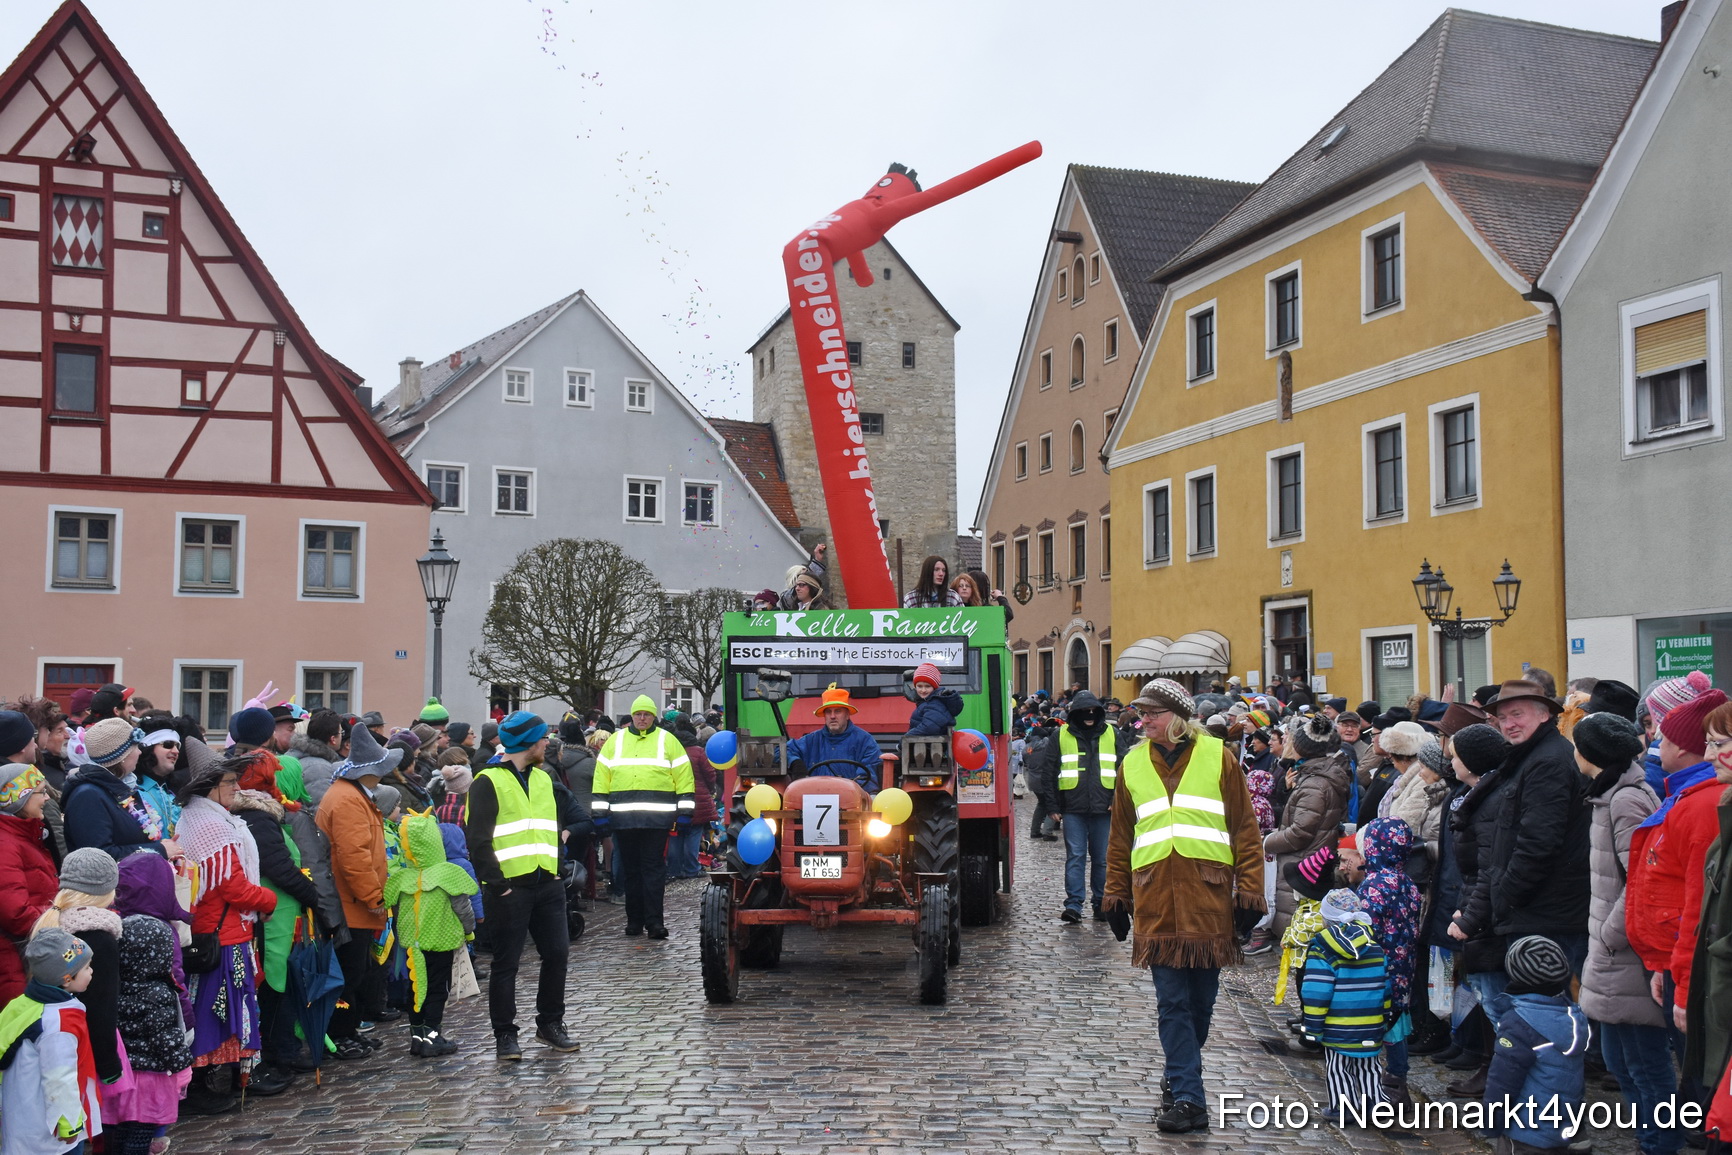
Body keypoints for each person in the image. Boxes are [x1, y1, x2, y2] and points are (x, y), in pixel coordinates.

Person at [1102, 678, 1263, 1134]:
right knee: (1171, 1002)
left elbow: (1245, 830)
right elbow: (1120, 837)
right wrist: (1115, 892)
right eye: (1141, 713)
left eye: (1152, 712)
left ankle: (1178, 1072)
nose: (1144, 720)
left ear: (1178, 716)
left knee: (1200, 1004)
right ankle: (1190, 1097)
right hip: (1154, 898)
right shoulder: (1132, 764)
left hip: (1208, 898)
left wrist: (1250, 890)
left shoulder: (1218, 757)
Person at [1571, 711, 1677, 1155]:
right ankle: (1647, 1140)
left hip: (1626, 950)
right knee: (1620, 1059)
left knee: (1644, 1061)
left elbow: (1643, 881)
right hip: (1611, 947)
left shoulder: (1624, 800)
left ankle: (1660, 1144)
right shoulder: (1608, 793)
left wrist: (1612, 936)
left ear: (1590, 754)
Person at [470, 711, 578, 1059]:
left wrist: (558, 869)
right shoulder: (487, 781)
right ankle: (505, 1035)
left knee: (557, 955)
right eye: (543, 737)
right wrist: (498, 884)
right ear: (528, 742)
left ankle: (550, 1023)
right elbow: (478, 840)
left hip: (547, 883)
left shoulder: (545, 778)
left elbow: (552, 827)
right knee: (507, 963)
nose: (548, 742)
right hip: (509, 888)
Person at [1628, 689, 1729, 1061]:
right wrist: (1662, 964)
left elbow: (1700, 907)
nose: (1654, 741)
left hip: (1698, 968)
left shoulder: (1703, 804)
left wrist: (1683, 985)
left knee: (1700, 1079)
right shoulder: (1688, 797)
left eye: (1717, 743)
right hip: (1678, 961)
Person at [175, 754, 276, 1109]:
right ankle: (207, 1088)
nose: (237, 788)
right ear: (210, 789)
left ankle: (214, 1083)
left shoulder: (199, 818)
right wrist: (268, 898)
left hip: (216, 930)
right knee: (217, 1012)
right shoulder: (213, 827)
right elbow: (233, 887)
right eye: (230, 783)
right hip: (222, 935)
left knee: (215, 1009)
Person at [1482, 680, 1590, 976]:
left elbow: (1539, 842)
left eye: (1517, 714)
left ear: (1544, 715)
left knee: (1542, 1009)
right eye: (1502, 718)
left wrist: (1506, 895)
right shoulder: (1531, 755)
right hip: (1543, 911)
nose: (1508, 724)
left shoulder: (1547, 761)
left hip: (1547, 915)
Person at [228, 766, 320, 1095]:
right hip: (272, 918)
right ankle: (280, 1054)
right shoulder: (257, 816)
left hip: (280, 915)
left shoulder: (261, 814)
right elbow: (278, 866)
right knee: (273, 987)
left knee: (282, 985)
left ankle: (286, 1051)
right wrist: (312, 895)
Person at [316, 723, 393, 1062]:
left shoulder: (353, 795)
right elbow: (354, 858)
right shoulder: (348, 800)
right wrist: (374, 898)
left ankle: (346, 1030)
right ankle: (338, 1031)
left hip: (354, 903)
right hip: (351, 905)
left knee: (355, 972)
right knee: (347, 976)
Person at [593, 698, 694, 940]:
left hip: (656, 821)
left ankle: (654, 922)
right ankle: (634, 921)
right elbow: (601, 778)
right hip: (623, 820)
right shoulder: (615, 741)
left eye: (646, 714)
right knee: (631, 872)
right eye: (637, 714)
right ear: (631, 716)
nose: (641, 718)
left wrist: (685, 812)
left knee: (653, 872)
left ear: (653, 717)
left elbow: (684, 777)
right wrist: (599, 815)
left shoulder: (667, 740)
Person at [1484, 936, 1590, 1153]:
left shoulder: (1518, 1024)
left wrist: (1491, 1122)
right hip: (1562, 1128)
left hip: (1524, 1131)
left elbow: (1503, 1081)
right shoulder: (1573, 1018)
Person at [384, 811, 477, 1058]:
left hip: (412, 943)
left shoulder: (404, 877)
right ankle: (432, 1036)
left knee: (416, 988)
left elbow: (387, 900)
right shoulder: (448, 874)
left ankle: (417, 1037)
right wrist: (468, 931)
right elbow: (463, 907)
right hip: (440, 939)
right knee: (437, 988)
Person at [0, 929, 101, 1154]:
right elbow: (60, 1079)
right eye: (86, 967)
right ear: (66, 979)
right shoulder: (58, 1022)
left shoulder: (22, 1004)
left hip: (20, 1120)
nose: (91, 971)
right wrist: (70, 1125)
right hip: (50, 1137)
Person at [33, 848, 123, 1092]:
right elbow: (101, 1006)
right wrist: (109, 1065)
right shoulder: (99, 939)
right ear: (107, 890)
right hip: (83, 1047)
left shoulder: (51, 922)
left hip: (49, 1040)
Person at [1260, 713, 1350, 945]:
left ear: (1302, 748)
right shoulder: (1313, 776)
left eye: (1291, 739)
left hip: (1302, 867)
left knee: (1298, 936)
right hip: (1308, 862)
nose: (1286, 741)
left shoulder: (1314, 783)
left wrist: (1266, 841)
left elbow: (1300, 833)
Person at [1301, 888, 1390, 1120]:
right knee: (1369, 1066)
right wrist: (1385, 1017)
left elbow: (1316, 992)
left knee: (1338, 1067)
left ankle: (1343, 1108)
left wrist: (1312, 1027)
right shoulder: (1375, 947)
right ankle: (1376, 1105)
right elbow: (1386, 986)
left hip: (1337, 1025)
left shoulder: (1322, 949)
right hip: (1371, 1022)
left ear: (1326, 918)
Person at [109, 913, 192, 1155]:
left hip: (122, 1077)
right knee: (141, 1135)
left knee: (122, 1131)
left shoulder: (116, 988)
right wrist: (183, 1066)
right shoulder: (158, 993)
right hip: (149, 1081)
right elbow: (166, 1038)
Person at [1354, 817, 1423, 1106]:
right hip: (1404, 966)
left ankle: (1366, 1081)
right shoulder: (1408, 883)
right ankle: (1397, 1081)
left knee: (1370, 1022)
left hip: (1376, 967)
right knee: (1396, 1022)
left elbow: (1364, 928)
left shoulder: (1374, 885)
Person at [60, 719, 178, 862]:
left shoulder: (120, 788)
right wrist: (159, 850)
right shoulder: (88, 796)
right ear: (122, 756)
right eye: (135, 747)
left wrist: (158, 845)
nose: (140, 752)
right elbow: (98, 856)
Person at [1052, 691, 1116, 924]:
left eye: (1092, 711)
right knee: (1076, 856)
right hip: (1073, 807)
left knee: (1101, 859)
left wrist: (1117, 799)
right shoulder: (1060, 735)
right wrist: (1052, 806)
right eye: (1084, 712)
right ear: (1075, 714)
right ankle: (1074, 905)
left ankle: (1101, 903)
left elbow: (1126, 769)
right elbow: (1049, 771)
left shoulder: (1113, 734)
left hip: (1104, 808)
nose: (1089, 716)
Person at [0, 761, 58, 1004]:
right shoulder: (5, 844)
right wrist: (60, 917)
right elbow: (15, 914)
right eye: (41, 792)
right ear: (18, 798)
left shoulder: (24, 835)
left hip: (30, 953)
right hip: (16, 963)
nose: (46, 798)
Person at [905, 663, 963, 738]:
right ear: (915, 686)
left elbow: (929, 728)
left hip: (928, 748)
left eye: (927, 686)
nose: (923, 690)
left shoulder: (934, 704)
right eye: (919, 686)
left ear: (934, 687)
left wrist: (906, 738)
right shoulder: (928, 702)